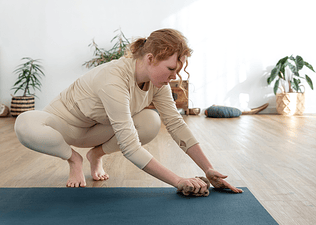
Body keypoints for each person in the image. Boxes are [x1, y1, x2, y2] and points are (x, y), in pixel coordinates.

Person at [14, 28, 243, 195]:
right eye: (171, 68)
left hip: (98, 130)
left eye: (177, 70)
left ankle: (96, 155)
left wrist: (208, 168)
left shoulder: (157, 83)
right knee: (25, 123)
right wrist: (178, 181)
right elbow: (130, 147)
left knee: (150, 121)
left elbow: (175, 124)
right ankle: (73, 159)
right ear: (150, 59)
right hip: (65, 128)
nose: (174, 76)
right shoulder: (114, 79)